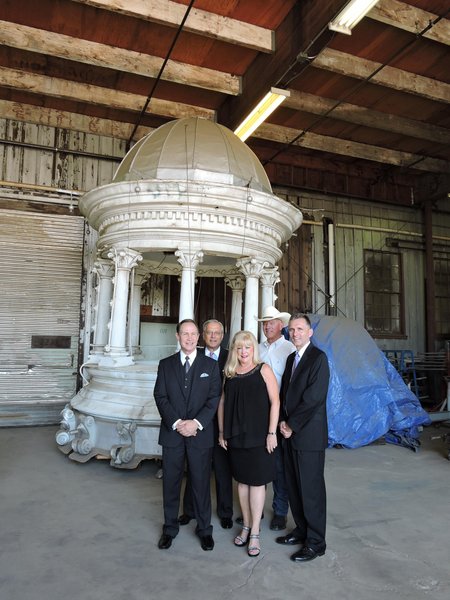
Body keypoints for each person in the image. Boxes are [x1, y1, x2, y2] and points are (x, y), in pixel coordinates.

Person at [154, 319, 222, 551]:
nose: (190, 338)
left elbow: (214, 399)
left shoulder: (211, 366)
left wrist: (195, 423)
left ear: (199, 337)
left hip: (199, 435)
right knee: (171, 484)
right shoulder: (165, 365)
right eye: (185, 334)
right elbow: (160, 396)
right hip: (172, 434)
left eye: (194, 334)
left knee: (201, 483)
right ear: (177, 336)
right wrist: (176, 422)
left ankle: (204, 529)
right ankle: (169, 528)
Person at [218, 331, 279, 557]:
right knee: (242, 483)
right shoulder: (230, 373)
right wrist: (222, 431)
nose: (244, 352)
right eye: (239, 348)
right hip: (236, 437)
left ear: (254, 348)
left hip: (260, 436)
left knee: (257, 483)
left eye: (248, 348)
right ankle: (245, 524)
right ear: (234, 350)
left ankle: (254, 532)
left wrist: (272, 433)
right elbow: (222, 402)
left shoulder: (264, 369)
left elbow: (275, 401)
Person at [276, 313, 330, 562]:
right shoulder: (291, 359)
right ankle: (301, 530)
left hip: (307, 436)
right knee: (294, 487)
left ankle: (316, 542)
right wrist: (282, 424)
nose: (295, 333)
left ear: (310, 332)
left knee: (311, 490)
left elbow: (314, 398)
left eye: (300, 329)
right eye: (292, 329)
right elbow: (286, 395)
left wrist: (292, 425)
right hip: (289, 433)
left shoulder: (318, 358)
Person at [178, 319, 234, 529]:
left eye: (217, 333)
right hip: (198, 422)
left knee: (222, 469)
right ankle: (190, 510)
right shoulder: (194, 355)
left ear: (222, 335)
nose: (213, 336)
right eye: (209, 332)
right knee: (195, 469)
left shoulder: (231, 356)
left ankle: (225, 511)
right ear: (203, 334)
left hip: (221, 423)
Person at [257, 305, 296, 531]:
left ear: (281, 325)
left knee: (280, 465)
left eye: (271, 322)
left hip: (280, 411)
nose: (267, 326)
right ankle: (256, 508)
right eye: (264, 322)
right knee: (259, 461)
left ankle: (280, 511)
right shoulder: (257, 349)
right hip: (258, 412)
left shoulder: (290, 349)